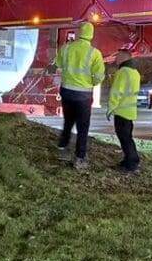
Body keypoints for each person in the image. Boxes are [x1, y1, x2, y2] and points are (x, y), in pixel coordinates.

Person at [53, 22, 105, 170]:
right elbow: (99, 76)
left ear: (79, 32)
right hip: (83, 95)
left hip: (66, 91)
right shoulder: (95, 53)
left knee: (68, 122)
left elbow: (58, 64)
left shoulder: (67, 47)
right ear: (91, 35)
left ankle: (62, 149)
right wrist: (91, 82)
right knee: (83, 128)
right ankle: (79, 158)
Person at [107, 49, 141, 173]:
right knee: (128, 137)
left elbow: (116, 92)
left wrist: (110, 108)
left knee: (125, 139)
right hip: (130, 111)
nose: (116, 59)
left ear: (123, 57)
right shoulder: (135, 72)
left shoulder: (122, 72)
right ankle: (130, 160)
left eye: (118, 56)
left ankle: (131, 163)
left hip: (121, 111)